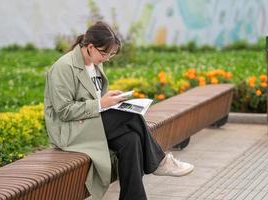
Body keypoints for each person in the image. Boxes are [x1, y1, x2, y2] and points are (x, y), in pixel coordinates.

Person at [44, 21, 194, 200]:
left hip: (90, 122)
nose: (107, 58)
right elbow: (64, 111)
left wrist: (109, 98)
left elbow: (93, 97)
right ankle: (160, 162)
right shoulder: (64, 67)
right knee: (132, 117)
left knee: (131, 140)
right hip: (69, 130)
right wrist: (102, 103)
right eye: (105, 53)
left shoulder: (95, 62)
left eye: (111, 54)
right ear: (90, 47)